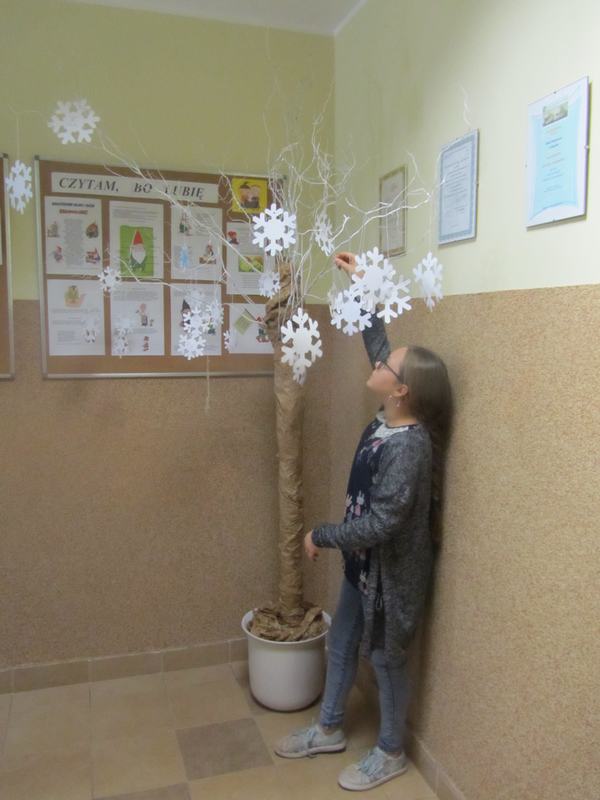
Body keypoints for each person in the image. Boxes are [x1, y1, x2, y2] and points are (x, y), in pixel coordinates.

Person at [274, 251, 454, 791]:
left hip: (391, 577)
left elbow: (382, 524)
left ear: (401, 390)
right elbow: (377, 342)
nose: (377, 363)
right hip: (363, 567)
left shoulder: (410, 447)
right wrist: (361, 286)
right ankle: (329, 728)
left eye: (387, 366)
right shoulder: (390, 415)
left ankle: (392, 751)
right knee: (343, 640)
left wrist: (322, 535)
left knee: (385, 657)